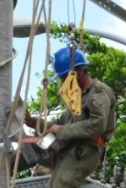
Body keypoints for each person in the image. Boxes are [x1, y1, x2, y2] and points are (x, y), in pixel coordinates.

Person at [25, 48, 116, 188]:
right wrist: (34, 122)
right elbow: (59, 124)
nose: (63, 81)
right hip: (70, 148)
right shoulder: (78, 97)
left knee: (61, 184)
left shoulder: (97, 91)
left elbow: (98, 124)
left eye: (64, 76)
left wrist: (60, 130)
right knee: (24, 153)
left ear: (78, 70)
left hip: (85, 151)